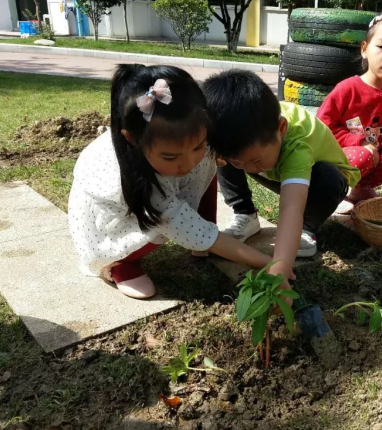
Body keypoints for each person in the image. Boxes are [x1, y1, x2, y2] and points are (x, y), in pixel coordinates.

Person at [68, 65, 275, 299]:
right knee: (162, 223)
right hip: (111, 224)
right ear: (133, 139)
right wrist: (268, 263)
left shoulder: (189, 142)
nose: (187, 163)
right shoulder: (132, 176)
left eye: (197, 145)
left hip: (159, 184)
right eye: (170, 156)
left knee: (207, 163)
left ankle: (204, 241)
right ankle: (119, 264)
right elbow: (178, 221)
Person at [201, 70, 361, 287]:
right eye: (241, 163)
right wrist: (239, 161)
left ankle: (307, 228)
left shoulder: (297, 144)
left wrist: (281, 267)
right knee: (227, 157)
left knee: (328, 178)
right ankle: (245, 214)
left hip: (324, 182)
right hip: (276, 170)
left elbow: (291, 208)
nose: (248, 169)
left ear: (281, 128)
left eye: (254, 160)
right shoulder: (245, 136)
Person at [317, 8, 382, 214]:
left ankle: (360, 189)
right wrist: (360, 143)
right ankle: (335, 191)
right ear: (364, 49)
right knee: (362, 156)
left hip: (371, 158)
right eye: (381, 46)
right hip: (339, 158)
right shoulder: (347, 89)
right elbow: (322, 128)